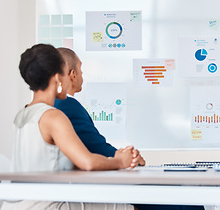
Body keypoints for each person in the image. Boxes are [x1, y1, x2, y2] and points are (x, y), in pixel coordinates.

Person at [54, 47, 204, 210]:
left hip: (90, 181)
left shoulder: (56, 106)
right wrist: (128, 159)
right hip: (96, 183)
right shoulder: (67, 105)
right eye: (81, 70)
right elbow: (96, 147)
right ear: (72, 74)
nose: (83, 75)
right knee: (186, 203)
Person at [3, 44, 137, 210]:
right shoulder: (53, 116)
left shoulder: (23, 114)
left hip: (16, 204)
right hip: (46, 205)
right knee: (130, 207)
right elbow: (87, 162)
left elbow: (55, 162)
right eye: (67, 73)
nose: (70, 79)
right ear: (57, 78)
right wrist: (120, 161)